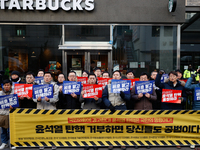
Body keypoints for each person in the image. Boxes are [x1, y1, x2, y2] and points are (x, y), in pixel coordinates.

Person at [0, 79, 16, 150]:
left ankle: (11, 143)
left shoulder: (14, 92)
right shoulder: (0, 93)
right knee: (3, 130)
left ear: (11, 86)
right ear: (3, 86)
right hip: (2, 113)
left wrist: (14, 106)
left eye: (8, 85)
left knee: (11, 130)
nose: (6, 86)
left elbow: (18, 102)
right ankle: (4, 143)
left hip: (11, 113)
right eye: (5, 85)